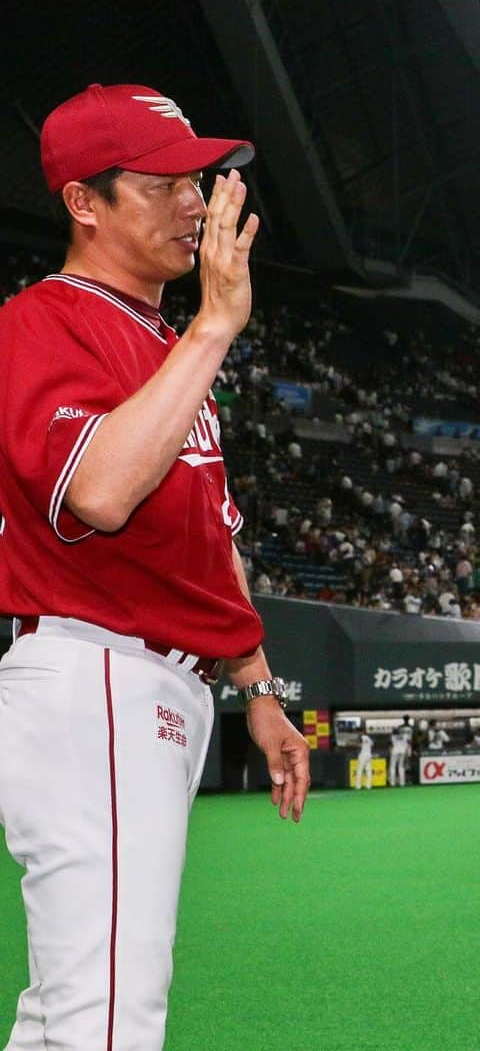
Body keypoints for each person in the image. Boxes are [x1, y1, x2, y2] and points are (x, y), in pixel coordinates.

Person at [0, 83, 310, 1050]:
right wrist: (217, 328)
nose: (195, 202)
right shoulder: (43, 319)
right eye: (163, 183)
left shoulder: (160, 341)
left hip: (155, 685)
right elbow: (99, 489)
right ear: (84, 204)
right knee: (108, 1018)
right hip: (93, 675)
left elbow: (207, 537)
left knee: (67, 1013)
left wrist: (258, 688)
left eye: (198, 180)